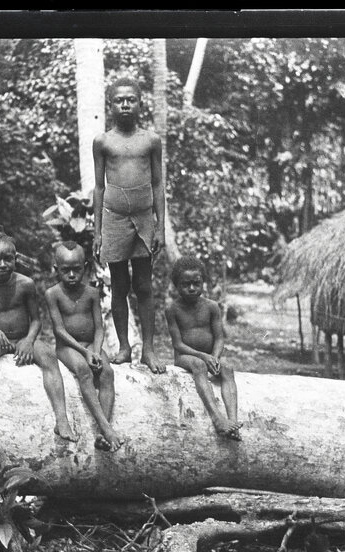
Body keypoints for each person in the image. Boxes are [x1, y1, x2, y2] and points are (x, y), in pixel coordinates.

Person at [0, 232, 76, 441]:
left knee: (48, 355)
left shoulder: (25, 284)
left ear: (15, 258)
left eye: (8, 259)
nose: (2, 264)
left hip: (22, 338)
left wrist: (28, 340)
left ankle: (62, 419)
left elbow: (36, 320)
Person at [92, 77, 167, 375]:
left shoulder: (150, 140)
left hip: (144, 219)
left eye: (130, 99)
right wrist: (97, 232)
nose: (125, 104)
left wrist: (160, 226)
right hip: (114, 219)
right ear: (110, 106)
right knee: (119, 285)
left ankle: (148, 349)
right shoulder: (103, 141)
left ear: (140, 103)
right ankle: (124, 347)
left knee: (144, 285)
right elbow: (98, 187)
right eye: (119, 100)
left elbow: (159, 184)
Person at [45, 241, 123, 452]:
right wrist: (85, 352)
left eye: (76, 269)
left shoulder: (91, 293)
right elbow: (59, 331)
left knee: (107, 372)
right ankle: (106, 428)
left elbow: (99, 327)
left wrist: (96, 351)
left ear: (86, 267)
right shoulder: (53, 294)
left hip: (91, 344)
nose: (71, 275)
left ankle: (101, 434)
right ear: (56, 270)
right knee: (83, 370)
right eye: (65, 270)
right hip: (67, 347)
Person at [165, 255, 242, 441]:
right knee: (199, 365)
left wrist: (214, 357)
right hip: (185, 356)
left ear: (203, 283)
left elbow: (219, 338)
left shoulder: (212, 307)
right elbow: (178, 344)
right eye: (186, 284)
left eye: (196, 283)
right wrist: (204, 357)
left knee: (228, 369)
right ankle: (217, 419)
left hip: (209, 356)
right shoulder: (173, 309)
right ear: (177, 285)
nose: (192, 288)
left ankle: (233, 422)